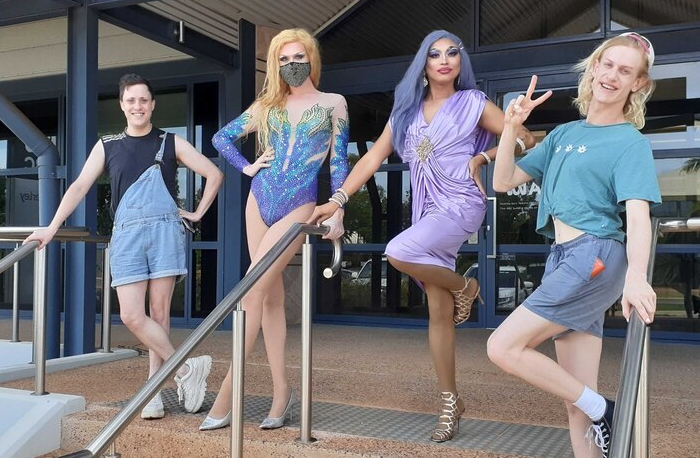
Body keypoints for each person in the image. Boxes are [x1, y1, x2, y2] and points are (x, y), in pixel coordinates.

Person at [309, 30, 536, 442]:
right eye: (435, 54)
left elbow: (524, 140)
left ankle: (466, 285)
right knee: (438, 313)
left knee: (398, 250)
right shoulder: (405, 113)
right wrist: (338, 198)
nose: (445, 60)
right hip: (427, 210)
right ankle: (450, 402)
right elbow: (372, 158)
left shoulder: (473, 103)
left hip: (462, 203)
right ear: (424, 64)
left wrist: (483, 156)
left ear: (460, 62)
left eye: (452, 53)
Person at [487, 32, 660, 458]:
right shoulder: (563, 133)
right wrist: (511, 127)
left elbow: (638, 216)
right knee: (575, 402)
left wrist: (636, 278)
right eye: (608, 65)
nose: (612, 76)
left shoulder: (630, 142)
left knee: (503, 346)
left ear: (638, 84)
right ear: (595, 68)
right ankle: (599, 412)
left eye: (626, 71)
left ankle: (607, 409)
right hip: (564, 257)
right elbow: (503, 181)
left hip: (594, 255)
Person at [26, 73, 224, 420]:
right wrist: (51, 227)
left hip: (165, 232)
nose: (138, 106)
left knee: (159, 315)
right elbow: (78, 187)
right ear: (122, 105)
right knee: (133, 315)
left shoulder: (170, 142)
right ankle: (185, 370)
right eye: (131, 100)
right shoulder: (107, 145)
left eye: (144, 100)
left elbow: (214, 173)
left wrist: (197, 212)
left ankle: (153, 392)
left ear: (152, 105)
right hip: (127, 235)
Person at [202, 28, 348, 431]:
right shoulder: (267, 103)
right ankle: (282, 393)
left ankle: (227, 394)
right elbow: (222, 137)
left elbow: (338, 164)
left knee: (251, 290)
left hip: (299, 204)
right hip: (258, 199)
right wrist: (248, 167)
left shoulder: (334, 104)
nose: (290, 65)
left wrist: (338, 211)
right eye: (283, 60)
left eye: (297, 57)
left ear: (311, 58)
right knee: (268, 299)